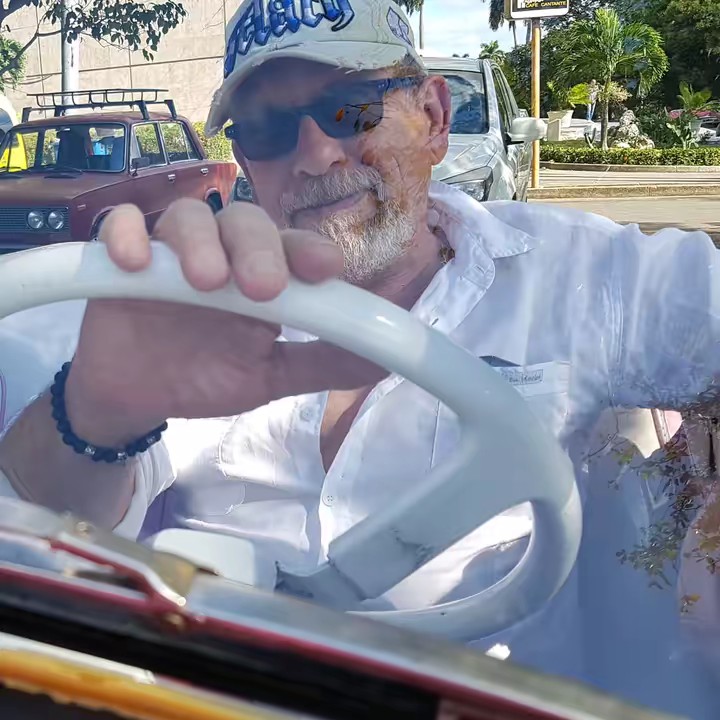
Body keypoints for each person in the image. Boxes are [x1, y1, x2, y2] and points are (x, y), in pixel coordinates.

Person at [0, 0, 719, 712]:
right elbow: (45, 535)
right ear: (244, 159)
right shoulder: (195, 300)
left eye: (352, 109)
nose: (317, 155)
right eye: (267, 129)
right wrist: (96, 414)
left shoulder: (581, 279)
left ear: (433, 117)